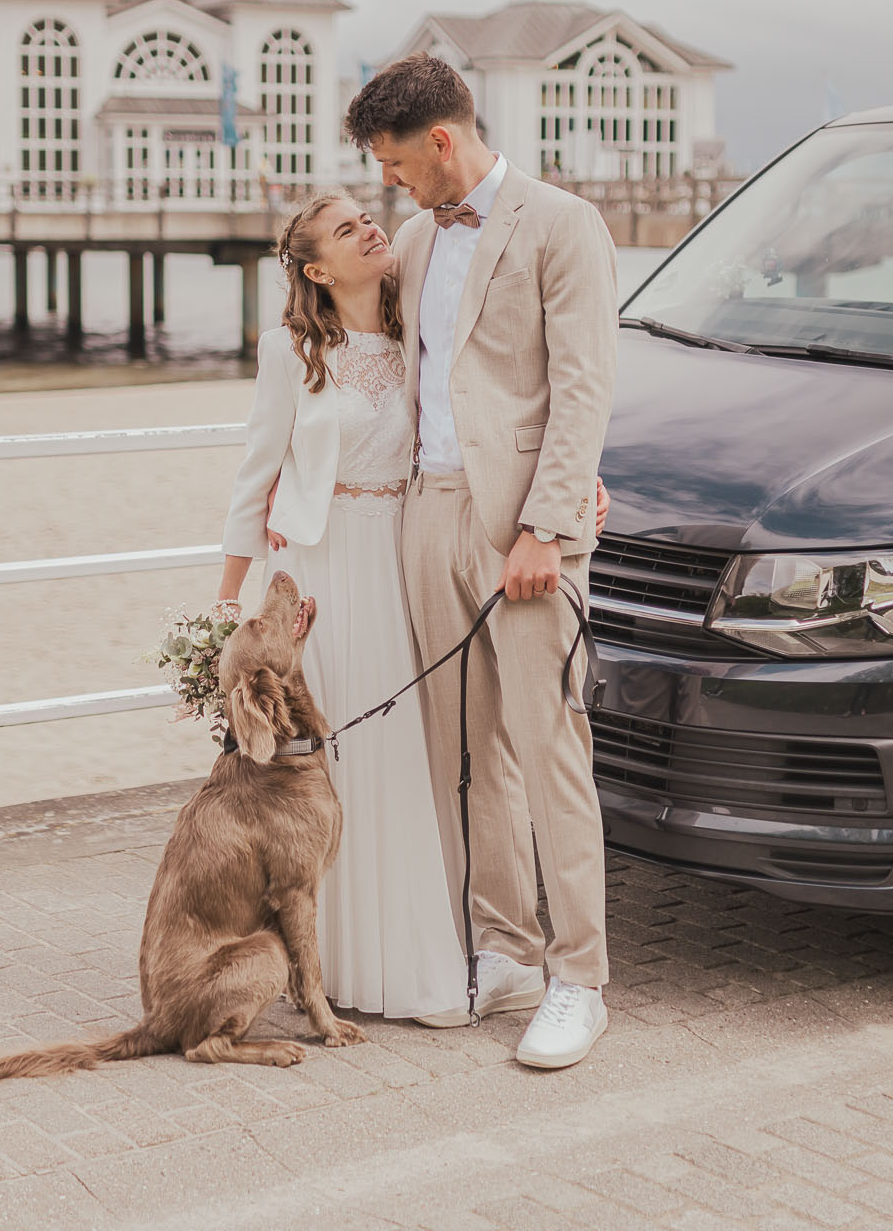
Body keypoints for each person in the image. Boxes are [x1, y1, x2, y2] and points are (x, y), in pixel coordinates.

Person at [214, 191, 613, 1025]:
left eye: (370, 213)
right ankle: (331, 966)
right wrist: (227, 607)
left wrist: (571, 485)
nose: (374, 226)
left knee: (411, 758)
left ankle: (417, 961)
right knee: (327, 769)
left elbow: (501, 407)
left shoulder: (416, 336)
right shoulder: (288, 350)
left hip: (400, 557)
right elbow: (254, 479)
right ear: (317, 269)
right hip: (320, 571)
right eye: (350, 227)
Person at [346, 54, 621, 1071]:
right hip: (428, 516)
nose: (395, 187)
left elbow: (584, 385)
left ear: (443, 141)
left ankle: (580, 978)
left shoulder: (562, 223)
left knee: (552, 749)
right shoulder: (414, 241)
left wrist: (550, 525)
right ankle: (501, 951)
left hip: (523, 534)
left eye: (399, 165)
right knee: (460, 755)